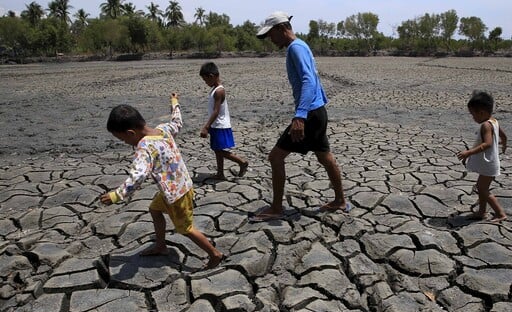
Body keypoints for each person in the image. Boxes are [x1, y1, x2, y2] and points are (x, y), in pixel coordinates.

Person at [100, 93, 225, 269]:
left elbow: (138, 175)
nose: (126, 143)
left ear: (131, 132)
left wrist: (116, 195)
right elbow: (177, 122)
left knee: (186, 228)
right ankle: (161, 245)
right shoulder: (163, 129)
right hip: (179, 187)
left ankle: (214, 254)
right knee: (154, 210)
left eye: (123, 139)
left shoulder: (144, 147)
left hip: (176, 195)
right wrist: (175, 103)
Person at [251, 11, 348, 222]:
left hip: (310, 114)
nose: (270, 39)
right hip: (318, 111)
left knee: (275, 157)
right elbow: (314, 80)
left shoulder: (295, 48)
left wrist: (300, 116)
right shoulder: (301, 46)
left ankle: (276, 208)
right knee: (324, 156)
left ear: (281, 28)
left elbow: (308, 81)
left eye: (271, 34)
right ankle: (340, 200)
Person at [457, 91, 508, 223]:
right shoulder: (494, 121)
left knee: (483, 189)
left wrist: (469, 152)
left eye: (473, 114)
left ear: (482, 113)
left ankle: (500, 213)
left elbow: (487, 144)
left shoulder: (486, 125)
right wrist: (504, 144)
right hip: (490, 162)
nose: (473, 118)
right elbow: (503, 136)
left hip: (489, 164)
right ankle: (481, 212)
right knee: (481, 187)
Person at [199, 62, 248, 180]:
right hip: (216, 125)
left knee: (218, 150)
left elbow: (216, 111)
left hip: (220, 125)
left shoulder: (219, 91)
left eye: (206, 80)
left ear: (212, 76)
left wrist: (206, 126)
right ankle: (220, 173)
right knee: (218, 150)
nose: (206, 83)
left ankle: (241, 162)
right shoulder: (214, 89)